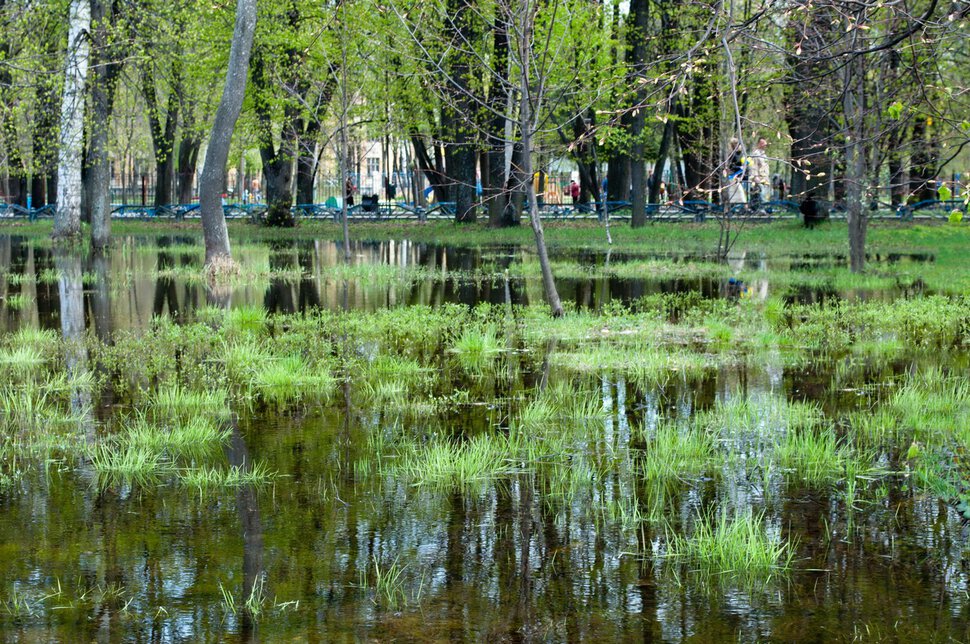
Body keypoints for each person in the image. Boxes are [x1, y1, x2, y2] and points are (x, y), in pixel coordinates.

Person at [749, 137, 770, 208]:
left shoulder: (764, 155)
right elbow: (753, 166)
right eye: (763, 143)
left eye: (765, 143)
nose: (765, 145)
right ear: (759, 144)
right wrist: (755, 177)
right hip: (758, 178)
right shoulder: (756, 153)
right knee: (759, 195)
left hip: (765, 178)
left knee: (763, 195)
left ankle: (762, 210)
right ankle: (759, 210)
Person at [726, 137, 747, 205]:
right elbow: (731, 167)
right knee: (738, 193)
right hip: (734, 177)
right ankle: (744, 207)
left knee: (741, 193)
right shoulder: (732, 155)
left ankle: (742, 208)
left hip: (741, 177)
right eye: (735, 144)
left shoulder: (741, 154)